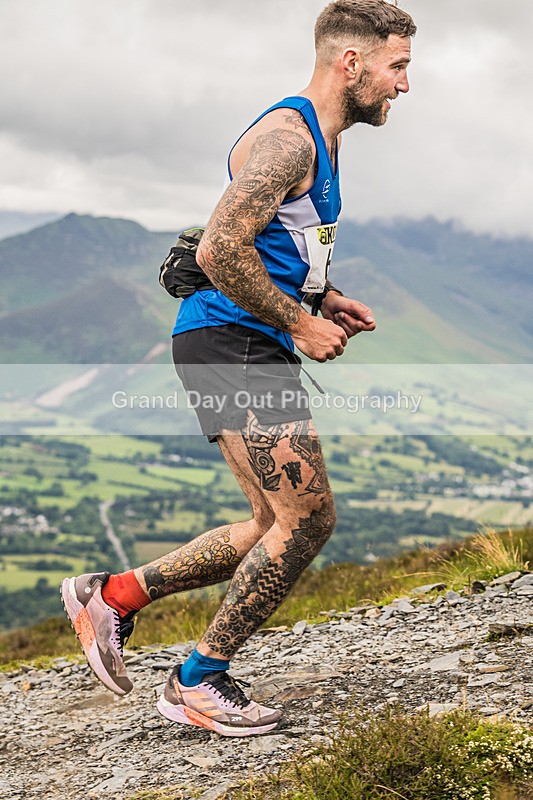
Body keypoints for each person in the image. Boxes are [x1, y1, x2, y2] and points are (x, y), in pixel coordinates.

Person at [61, 0, 416, 737]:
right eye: (397, 67)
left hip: (235, 342)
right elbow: (220, 249)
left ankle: (114, 596)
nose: (402, 86)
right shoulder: (290, 141)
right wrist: (297, 322)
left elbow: (274, 243)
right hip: (236, 343)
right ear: (350, 63)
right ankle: (198, 680)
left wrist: (326, 297)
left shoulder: (317, 137)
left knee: (268, 521)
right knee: (309, 519)